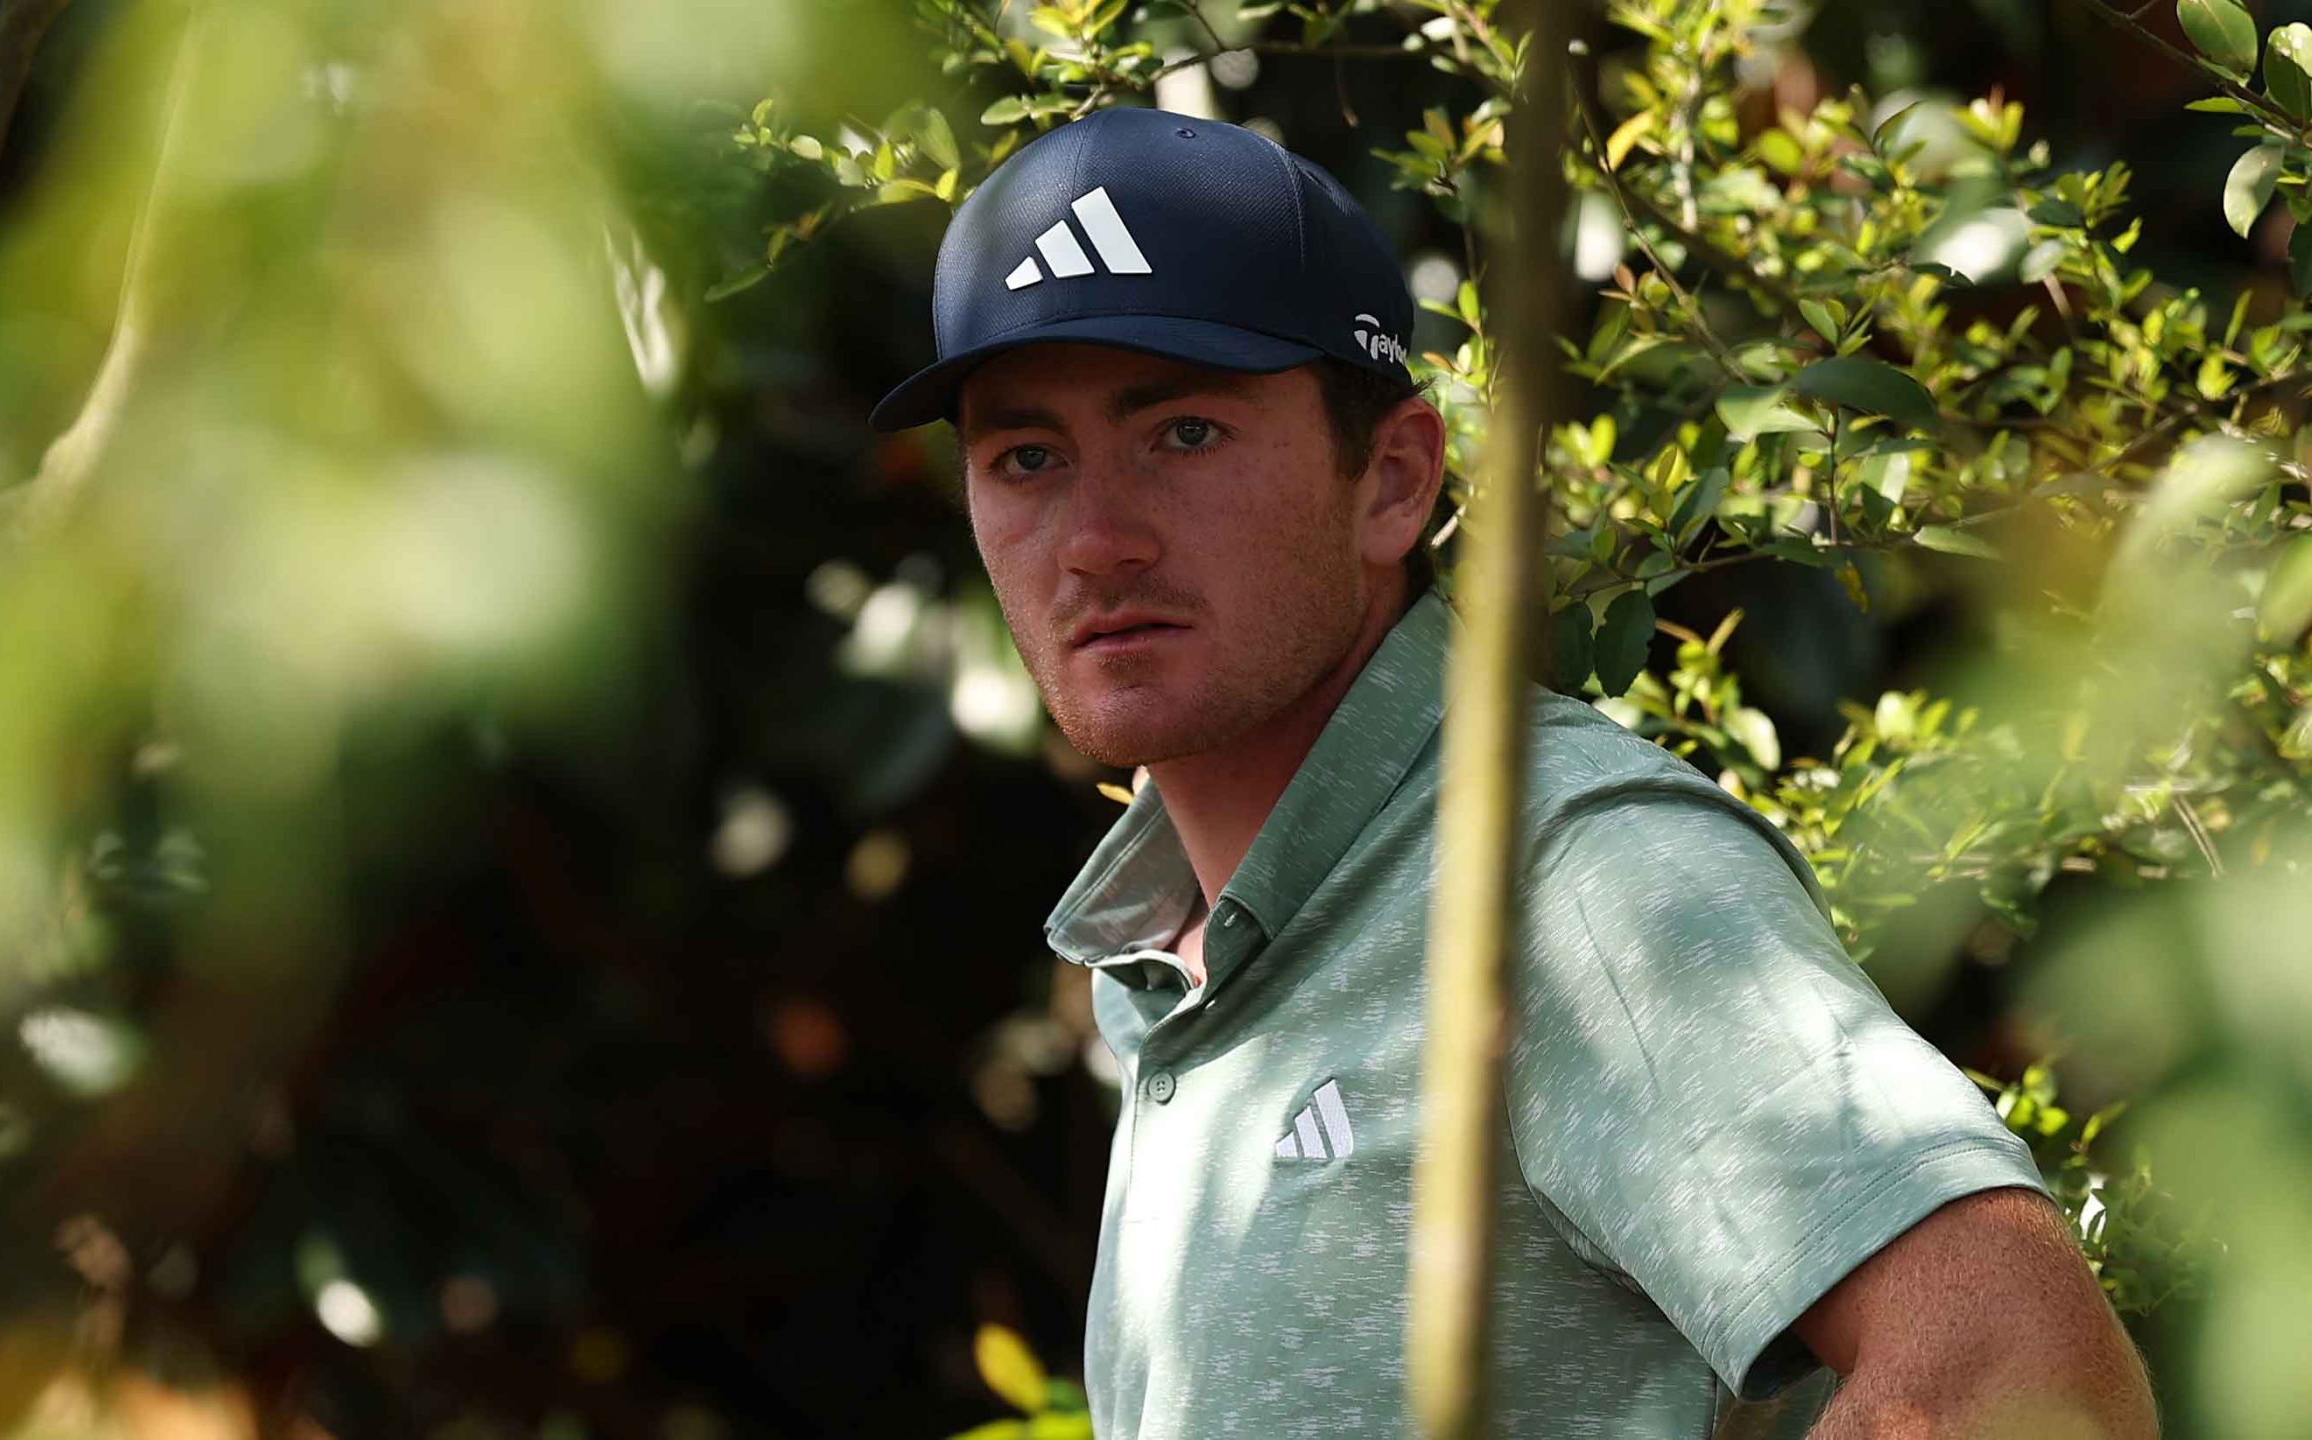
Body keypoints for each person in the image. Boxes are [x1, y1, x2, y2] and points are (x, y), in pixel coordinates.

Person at [870, 106, 2157, 1440]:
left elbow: (2023, 1379)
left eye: (1184, 433)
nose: (1095, 541)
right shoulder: (1164, 967)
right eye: (1026, 458)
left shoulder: (1574, 883)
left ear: (1392, 479)